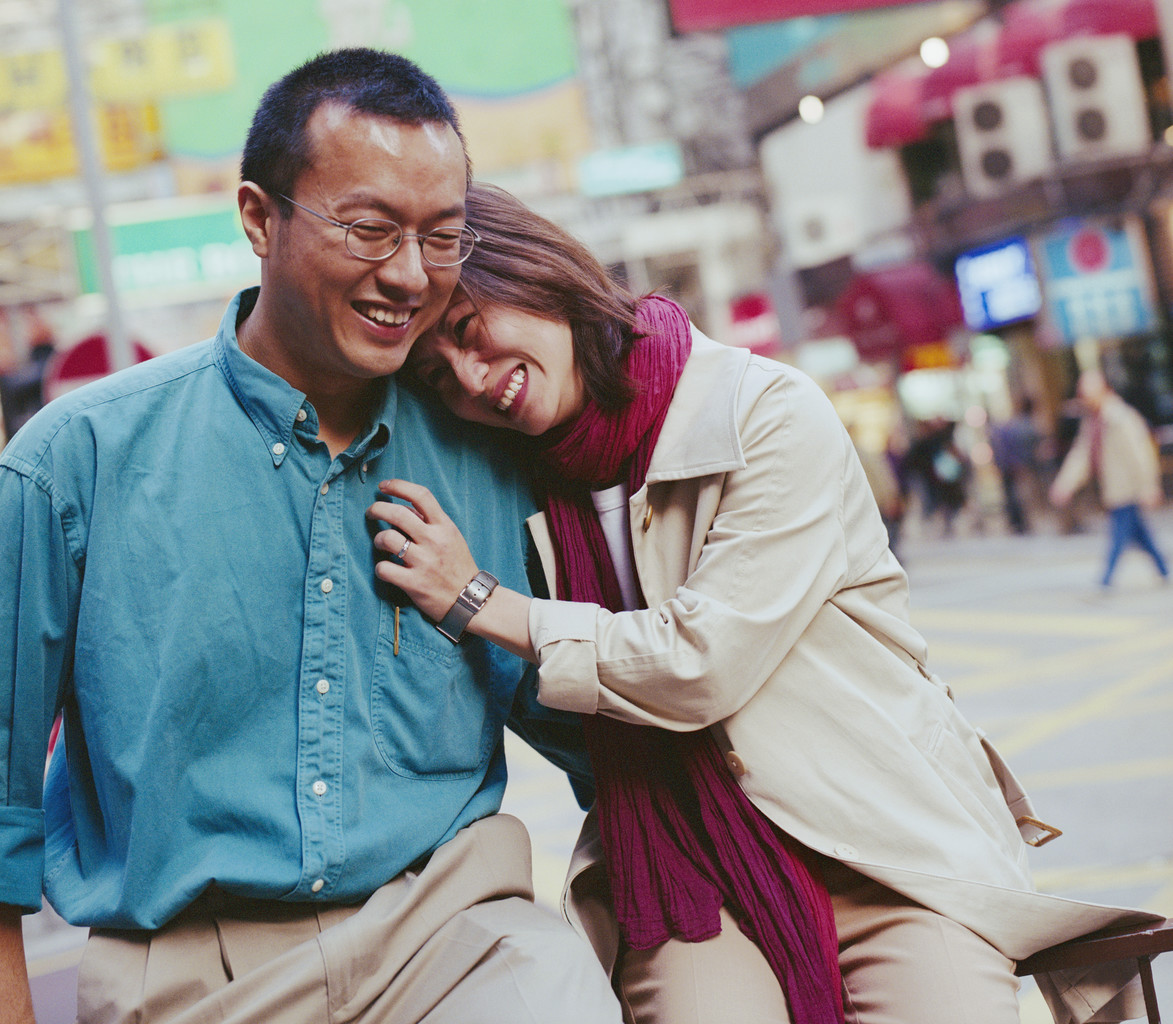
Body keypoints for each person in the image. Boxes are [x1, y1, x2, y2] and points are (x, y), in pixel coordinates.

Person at [368, 182, 1163, 1024]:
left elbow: (700, 665)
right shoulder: (507, 486)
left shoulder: (764, 411)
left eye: (465, 333)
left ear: (533, 274)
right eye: (436, 375)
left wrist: (479, 600)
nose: (469, 377)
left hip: (879, 845)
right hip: (682, 867)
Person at [0, 51, 622, 1024]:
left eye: (442, 237)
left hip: (452, 937)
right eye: (370, 229)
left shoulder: (487, 454)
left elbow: (595, 729)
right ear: (259, 217)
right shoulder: (71, 464)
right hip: (192, 970)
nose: (410, 275)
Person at [1049, 368, 1169, 590]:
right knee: (1139, 534)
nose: (1084, 397)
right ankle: (1163, 568)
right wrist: (1064, 484)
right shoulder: (1093, 421)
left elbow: (1140, 453)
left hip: (1127, 489)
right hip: (1114, 488)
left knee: (1119, 534)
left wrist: (1149, 486)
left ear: (1103, 389)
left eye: (1088, 391)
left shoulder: (1121, 417)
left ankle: (1106, 579)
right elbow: (1081, 456)